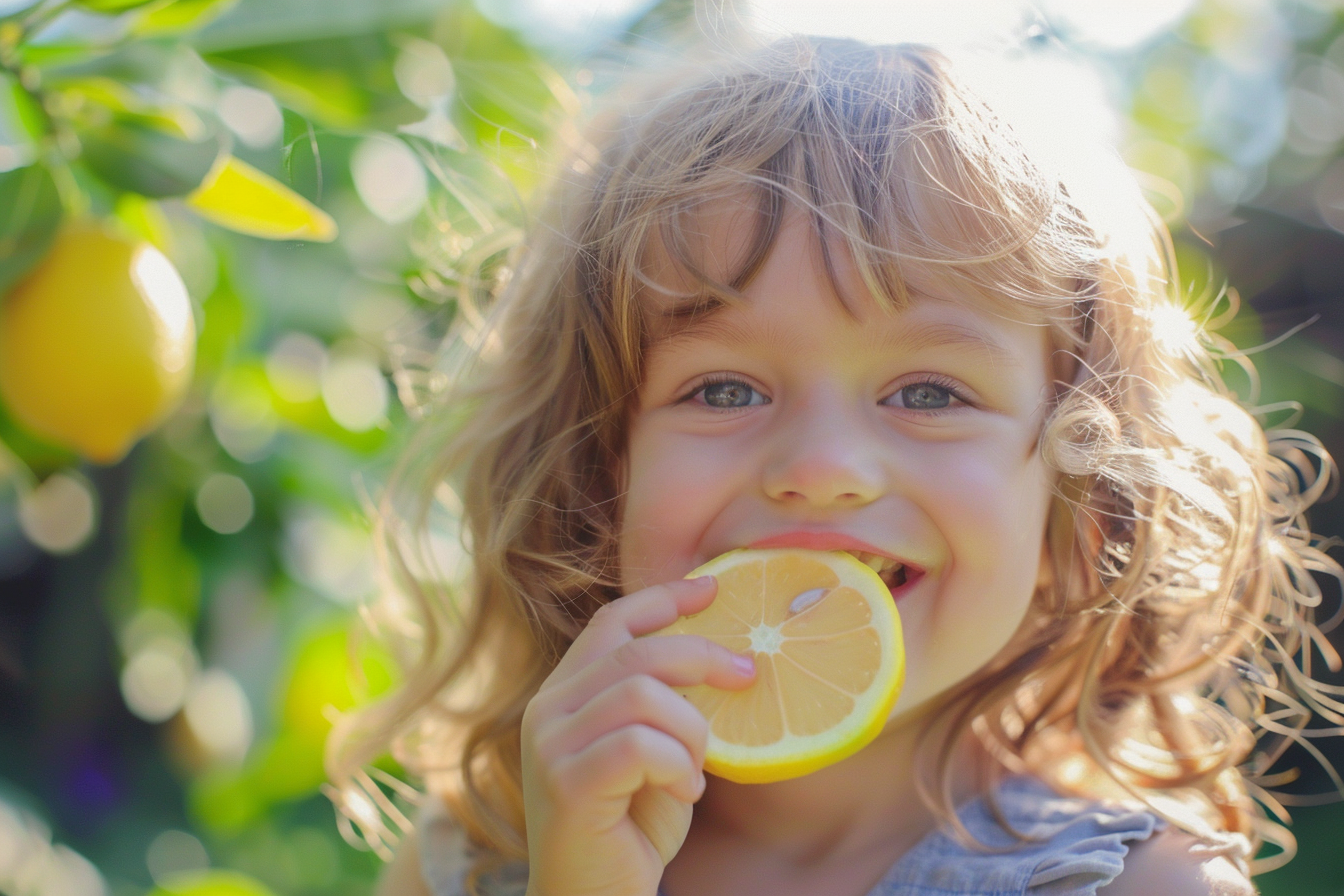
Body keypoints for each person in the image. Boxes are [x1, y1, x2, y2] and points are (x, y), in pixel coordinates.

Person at [326, 33, 1343, 896]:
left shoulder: (1142, 884)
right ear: (598, 474)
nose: (819, 468)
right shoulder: (471, 858)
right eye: (724, 389)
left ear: (1081, 508)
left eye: (930, 393)